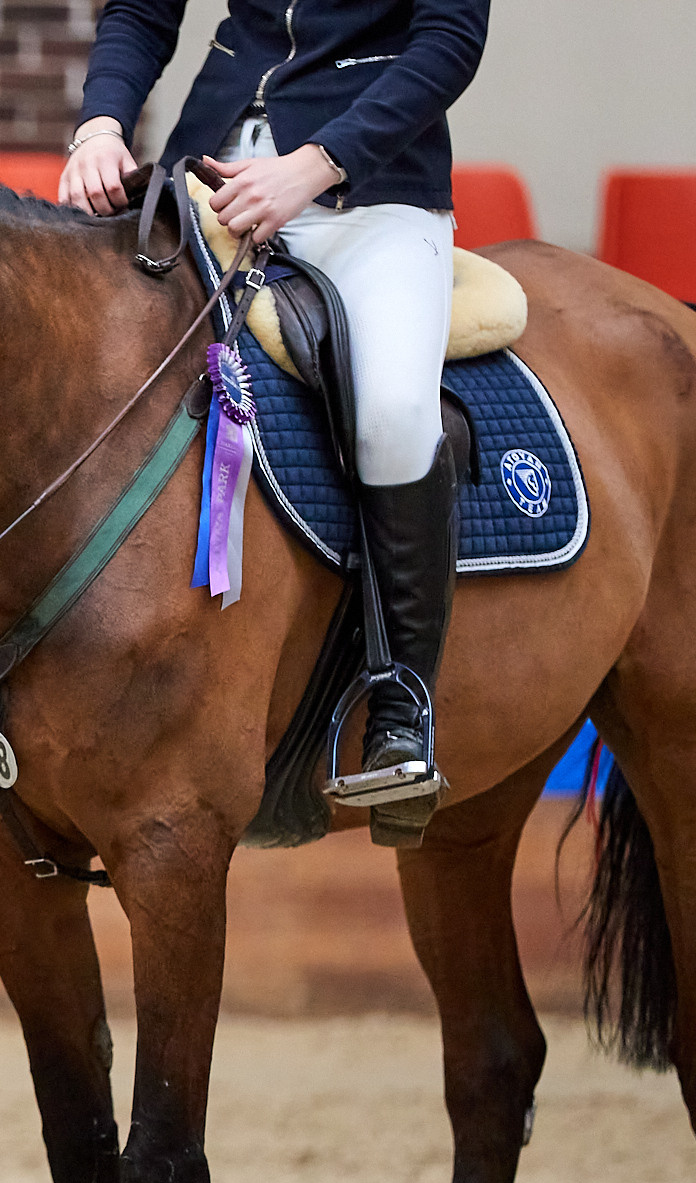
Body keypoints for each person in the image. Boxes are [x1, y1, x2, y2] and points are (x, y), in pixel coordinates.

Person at [60, 0, 488, 821]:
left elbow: (449, 42)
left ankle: (400, 706)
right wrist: (101, 126)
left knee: (394, 414)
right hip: (208, 182)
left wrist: (319, 162)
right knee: (68, 352)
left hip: (369, 202)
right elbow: (142, 12)